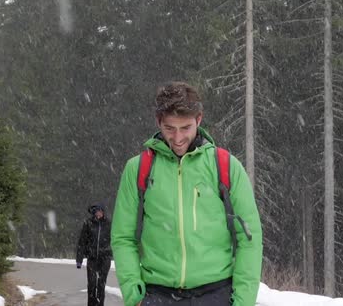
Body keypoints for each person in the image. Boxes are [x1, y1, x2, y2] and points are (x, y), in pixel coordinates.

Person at [111, 82, 262, 306]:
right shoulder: (138, 169)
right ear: (158, 122)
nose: (178, 138)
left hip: (217, 294)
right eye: (170, 128)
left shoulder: (226, 166)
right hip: (157, 295)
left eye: (185, 128)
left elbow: (249, 239)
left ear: (199, 120)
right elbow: (123, 238)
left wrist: (243, 301)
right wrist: (134, 296)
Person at [76, 203, 112, 306]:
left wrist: (113, 253)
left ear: (103, 211)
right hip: (92, 258)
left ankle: (100, 304)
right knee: (91, 284)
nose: (98, 213)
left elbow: (115, 240)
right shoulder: (88, 223)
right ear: (94, 213)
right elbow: (82, 241)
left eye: (100, 211)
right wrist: (79, 259)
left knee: (101, 285)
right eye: (96, 211)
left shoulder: (108, 224)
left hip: (105, 258)